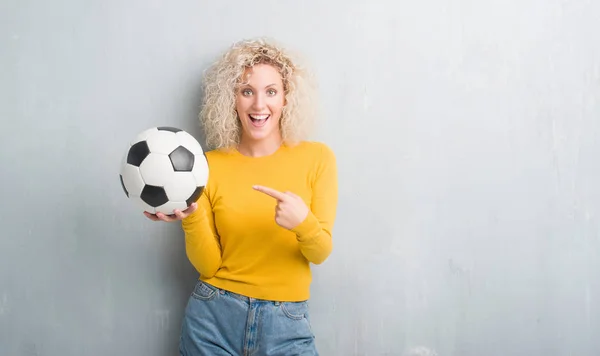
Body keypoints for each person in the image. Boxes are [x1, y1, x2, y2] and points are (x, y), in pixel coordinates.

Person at [145, 37, 338, 355]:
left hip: (287, 323)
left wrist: (303, 222)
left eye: (271, 91)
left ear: (286, 98)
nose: (259, 105)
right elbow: (208, 266)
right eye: (247, 91)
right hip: (213, 319)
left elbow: (320, 252)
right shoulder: (206, 166)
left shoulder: (318, 159)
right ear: (231, 98)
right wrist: (192, 218)